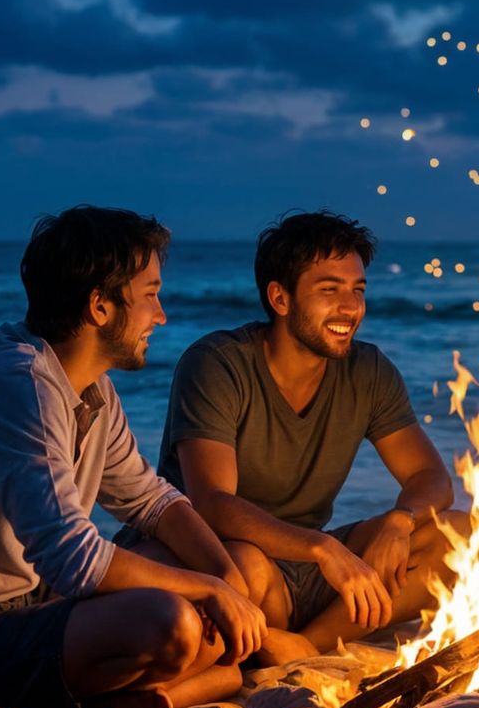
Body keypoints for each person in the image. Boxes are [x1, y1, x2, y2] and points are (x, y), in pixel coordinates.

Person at [0, 206, 268, 708]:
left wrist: (225, 578)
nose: (161, 316)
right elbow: (74, 559)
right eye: (150, 295)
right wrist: (208, 591)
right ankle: (131, 697)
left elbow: (151, 501)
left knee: (232, 567)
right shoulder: (17, 385)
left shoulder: (90, 388)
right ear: (99, 306)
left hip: (17, 599)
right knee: (173, 624)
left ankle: (115, 697)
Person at [135, 211, 460, 663]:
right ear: (280, 298)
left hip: (306, 576)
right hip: (224, 564)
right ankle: (272, 643)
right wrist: (322, 547)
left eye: (357, 290)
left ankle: (305, 647)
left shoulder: (368, 370)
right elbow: (212, 502)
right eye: (330, 290)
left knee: (457, 534)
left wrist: (398, 522)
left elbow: (431, 477)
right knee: (244, 561)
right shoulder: (218, 363)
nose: (351, 307)